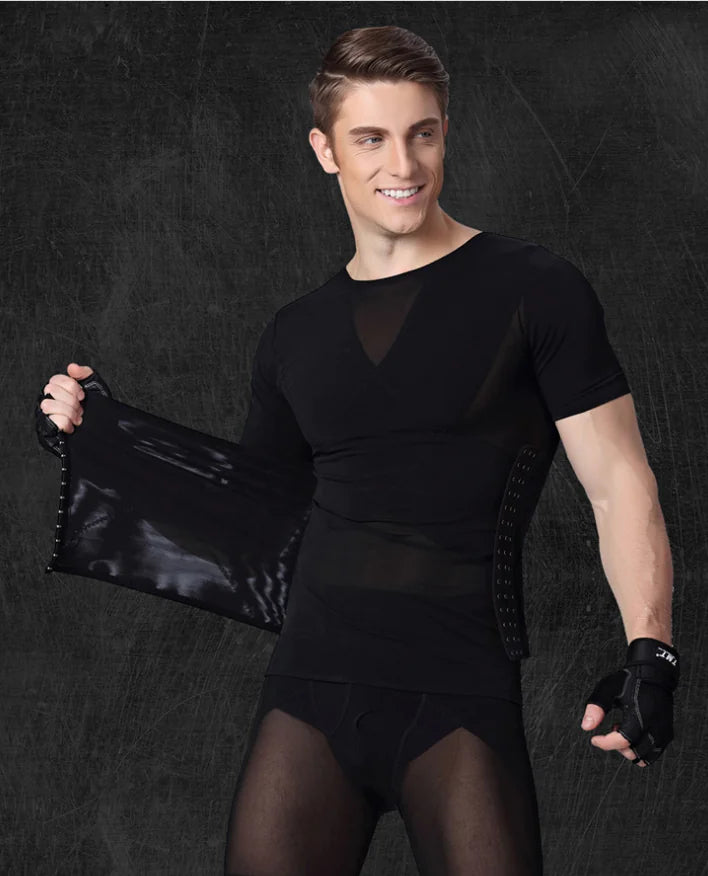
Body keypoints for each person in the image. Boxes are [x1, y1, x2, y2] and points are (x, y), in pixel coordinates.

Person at [36, 25, 679, 876]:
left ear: (445, 133)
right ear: (325, 150)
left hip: (459, 694)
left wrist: (651, 653)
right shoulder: (295, 335)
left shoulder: (535, 288)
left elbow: (618, 484)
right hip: (309, 693)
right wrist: (97, 438)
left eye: (422, 133)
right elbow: (253, 526)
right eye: (371, 138)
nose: (402, 164)